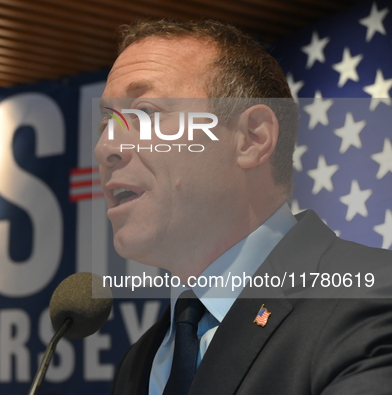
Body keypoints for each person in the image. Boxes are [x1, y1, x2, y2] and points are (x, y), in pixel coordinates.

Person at [96, 19, 392, 394]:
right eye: (106, 121)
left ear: (252, 139)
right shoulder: (141, 361)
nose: (106, 147)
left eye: (145, 113)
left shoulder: (371, 301)